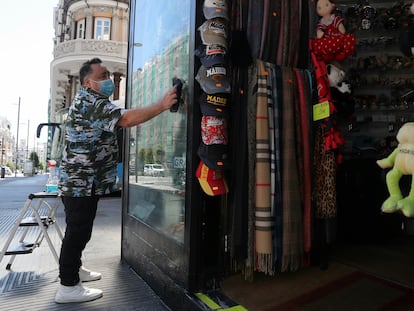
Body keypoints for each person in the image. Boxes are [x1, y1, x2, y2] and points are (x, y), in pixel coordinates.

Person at [54, 58, 178, 304]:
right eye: (103, 75)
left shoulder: (93, 100)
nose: (108, 79)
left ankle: (75, 271)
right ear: (89, 82)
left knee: (81, 228)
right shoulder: (90, 101)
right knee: (78, 230)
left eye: (108, 73)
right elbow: (126, 119)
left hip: (84, 180)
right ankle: (67, 286)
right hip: (81, 180)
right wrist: (162, 105)